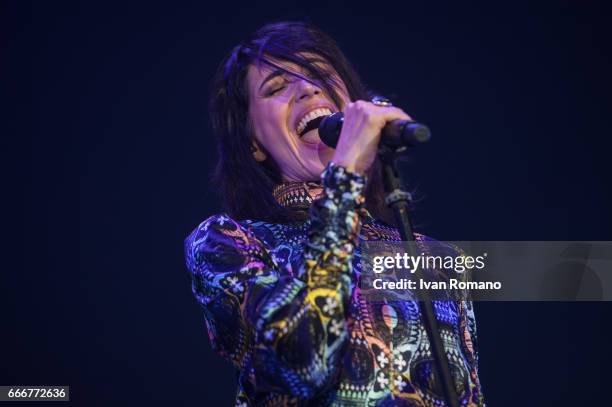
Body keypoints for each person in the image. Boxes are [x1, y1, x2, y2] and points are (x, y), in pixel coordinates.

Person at [184, 21, 485, 406]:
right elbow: (305, 363)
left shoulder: (438, 260)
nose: (307, 88)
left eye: (319, 74)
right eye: (276, 87)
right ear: (254, 142)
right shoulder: (228, 243)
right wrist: (344, 181)